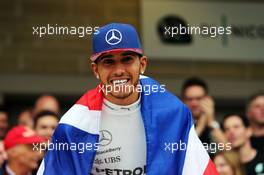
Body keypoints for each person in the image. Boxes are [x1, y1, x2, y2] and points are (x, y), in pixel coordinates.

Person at [37, 23, 218, 175]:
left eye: (127, 59)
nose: (118, 70)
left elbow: (197, 169)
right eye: (108, 62)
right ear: (95, 70)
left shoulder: (173, 114)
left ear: (143, 64)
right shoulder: (74, 125)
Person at [181, 77, 226, 148]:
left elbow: (228, 150)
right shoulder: (178, 127)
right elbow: (182, 151)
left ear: (208, 100)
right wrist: (200, 126)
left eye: (198, 98)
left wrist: (211, 121)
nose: (194, 104)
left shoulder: (222, 126)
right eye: (189, 99)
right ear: (183, 101)